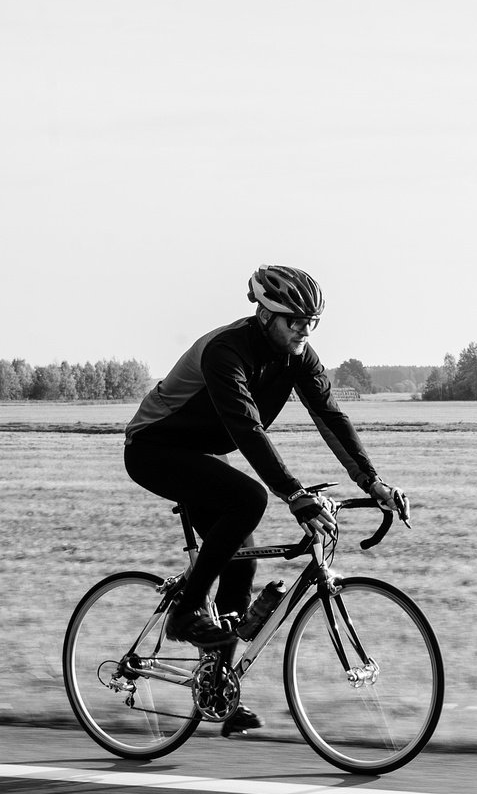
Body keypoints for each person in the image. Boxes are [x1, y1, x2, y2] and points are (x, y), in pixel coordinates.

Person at [123, 265, 409, 735]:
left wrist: (372, 482)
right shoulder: (226, 351)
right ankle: (185, 612)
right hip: (153, 447)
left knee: (241, 563)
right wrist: (294, 495)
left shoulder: (298, 355)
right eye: (294, 319)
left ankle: (216, 690)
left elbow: (330, 416)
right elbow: (247, 430)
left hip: (197, 453)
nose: (304, 329)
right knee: (250, 499)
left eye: (310, 321)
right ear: (264, 313)